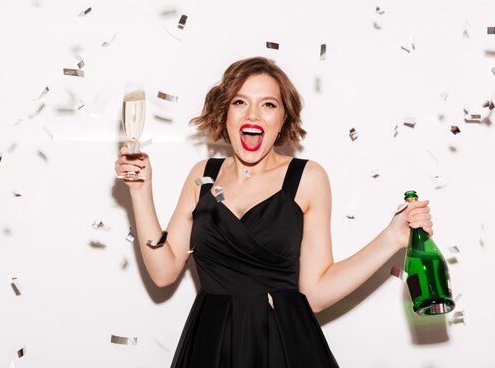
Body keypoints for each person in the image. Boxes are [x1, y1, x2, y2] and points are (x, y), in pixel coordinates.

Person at [114, 56, 433, 368]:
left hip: (284, 345)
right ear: (224, 112)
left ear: (283, 119)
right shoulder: (203, 175)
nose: (253, 114)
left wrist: (391, 238)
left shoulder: (308, 178)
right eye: (240, 102)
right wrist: (140, 191)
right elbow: (163, 271)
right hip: (211, 345)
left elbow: (316, 294)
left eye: (268, 104)